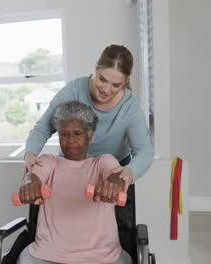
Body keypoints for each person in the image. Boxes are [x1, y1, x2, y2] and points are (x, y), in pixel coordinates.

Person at [24, 44, 153, 195]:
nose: (106, 89)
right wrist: (30, 154)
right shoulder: (73, 90)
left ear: (124, 83)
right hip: (71, 166)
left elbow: (144, 151)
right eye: (102, 79)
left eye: (115, 85)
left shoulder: (130, 107)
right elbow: (43, 128)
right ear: (95, 69)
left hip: (113, 174)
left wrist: (130, 172)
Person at [17, 101, 132, 264]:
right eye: (64, 134)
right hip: (47, 253)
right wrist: (30, 184)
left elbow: (117, 175)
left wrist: (112, 185)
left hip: (101, 256)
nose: (70, 140)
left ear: (90, 134)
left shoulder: (103, 161)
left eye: (77, 133)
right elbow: (32, 176)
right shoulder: (50, 162)